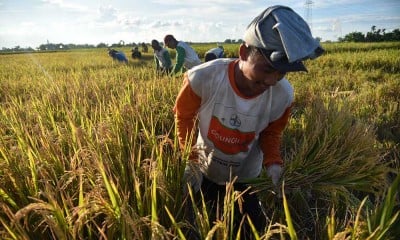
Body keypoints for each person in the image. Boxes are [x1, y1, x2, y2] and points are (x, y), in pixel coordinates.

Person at [174, 5, 324, 238]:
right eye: (266, 69)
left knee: (250, 230)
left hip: (246, 176)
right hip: (205, 169)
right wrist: (190, 160)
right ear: (243, 52)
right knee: (204, 226)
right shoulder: (202, 78)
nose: (272, 80)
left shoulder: (283, 95)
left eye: (281, 73)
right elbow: (184, 118)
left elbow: (271, 133)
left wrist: (273, 162)